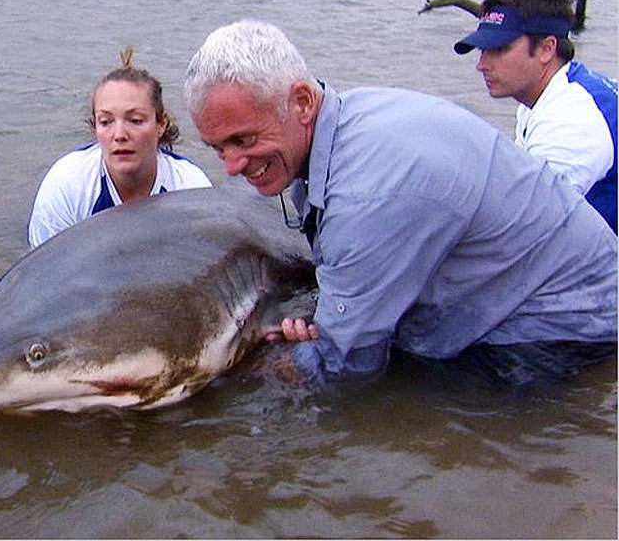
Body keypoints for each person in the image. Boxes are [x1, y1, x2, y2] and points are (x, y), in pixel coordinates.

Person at [184, 19, 617, 386]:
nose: (232, 166)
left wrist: (255, 370)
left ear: (300, 102)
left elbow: (348, 364)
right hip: (529, 284)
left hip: (564, 327)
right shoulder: (347, 122)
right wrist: (336, 314)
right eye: (217, 148)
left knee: (406, 404)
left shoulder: (368, 192)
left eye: (244, 139)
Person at [454, 0, 617, 232]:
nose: (482, 64)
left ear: (546, 49)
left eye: (498, 49)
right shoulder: (547, 97)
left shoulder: (571, 120)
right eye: (482, 50)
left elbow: (524, 228)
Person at [28, 48, 212, 247]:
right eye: (106, 122)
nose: (119, 135)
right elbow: (44, 272)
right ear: (94, 126)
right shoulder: (67, 184)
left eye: (135, 120)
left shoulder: (192, 189)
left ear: (161, 124)